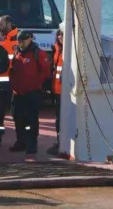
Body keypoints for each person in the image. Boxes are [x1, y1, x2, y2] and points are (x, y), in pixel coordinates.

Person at [9, 30, 50, 155]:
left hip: (32, 93)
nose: (21, 43)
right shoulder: (17, 53)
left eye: (24, 40)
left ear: (30, 39)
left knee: (31, 120)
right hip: (18, 93)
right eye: (20, 40)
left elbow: (45, 72)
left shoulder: (38, 54)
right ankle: (21, 141)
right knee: (17, 117)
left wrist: (34, 84)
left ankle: (31, 144)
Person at [0, 15, 18, 146]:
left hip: (15, 85)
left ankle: (23, 140)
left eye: (1, 24)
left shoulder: (19, 39)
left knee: (18, 114)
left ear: (9, 24)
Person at [47, 28, 64, 156]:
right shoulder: (56, 50)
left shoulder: (67, 51)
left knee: (62, 117)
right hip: (57, 90)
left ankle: (62, 142)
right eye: (59, 35)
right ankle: (59, 140)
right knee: (58, 117)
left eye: (62, 35)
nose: (60, 37)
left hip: (65, 91)